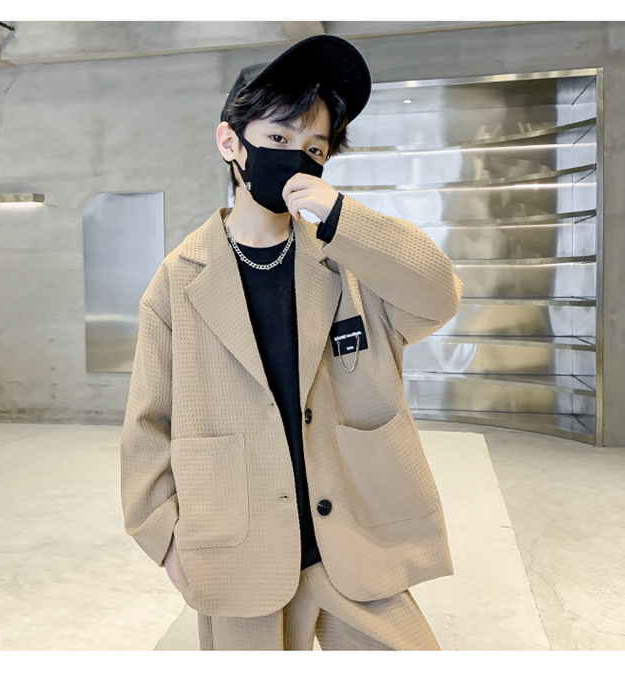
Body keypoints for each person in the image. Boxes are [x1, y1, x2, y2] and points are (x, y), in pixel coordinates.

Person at [120, 34, 464, 651]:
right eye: (277, 138)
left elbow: (438, 295)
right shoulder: (178, 281)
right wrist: (168, 544)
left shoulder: (349, 261)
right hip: (239, 549)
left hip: (354, 541)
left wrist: (343, 218)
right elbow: (148, 425)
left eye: (314, 148)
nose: (296, 159)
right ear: (231, 143)